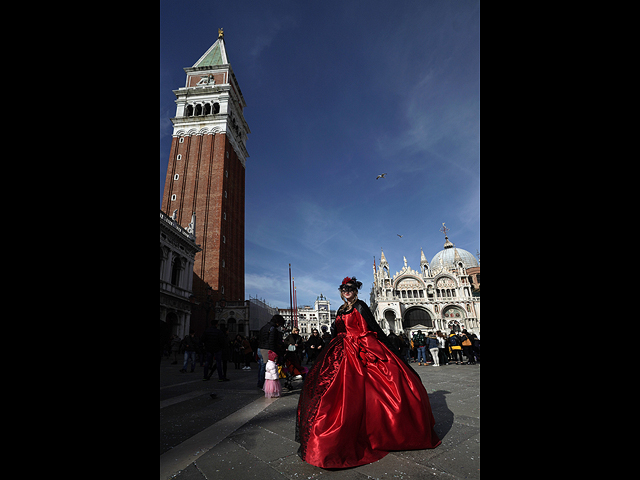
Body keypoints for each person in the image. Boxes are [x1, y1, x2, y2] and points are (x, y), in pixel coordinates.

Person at [295, 276, 441, 469]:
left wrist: (394, 353)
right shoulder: (340, 309)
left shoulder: (361, 306)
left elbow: (375, 329)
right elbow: (334, 332)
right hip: (340, 349)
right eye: (343, 289)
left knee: (376, 387)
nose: (347, 291)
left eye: (350, 288)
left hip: (363, 349)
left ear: (355, 291)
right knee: (334, 392)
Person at [257, 314, 285, 389]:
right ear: (278, 322)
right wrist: (274, 353)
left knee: (261, 367)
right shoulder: (273, 329)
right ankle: (263, 385)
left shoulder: (264, 327)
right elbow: (272, 342)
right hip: (266, 350)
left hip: (260, 348)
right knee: (265, 368)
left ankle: (260, 382)